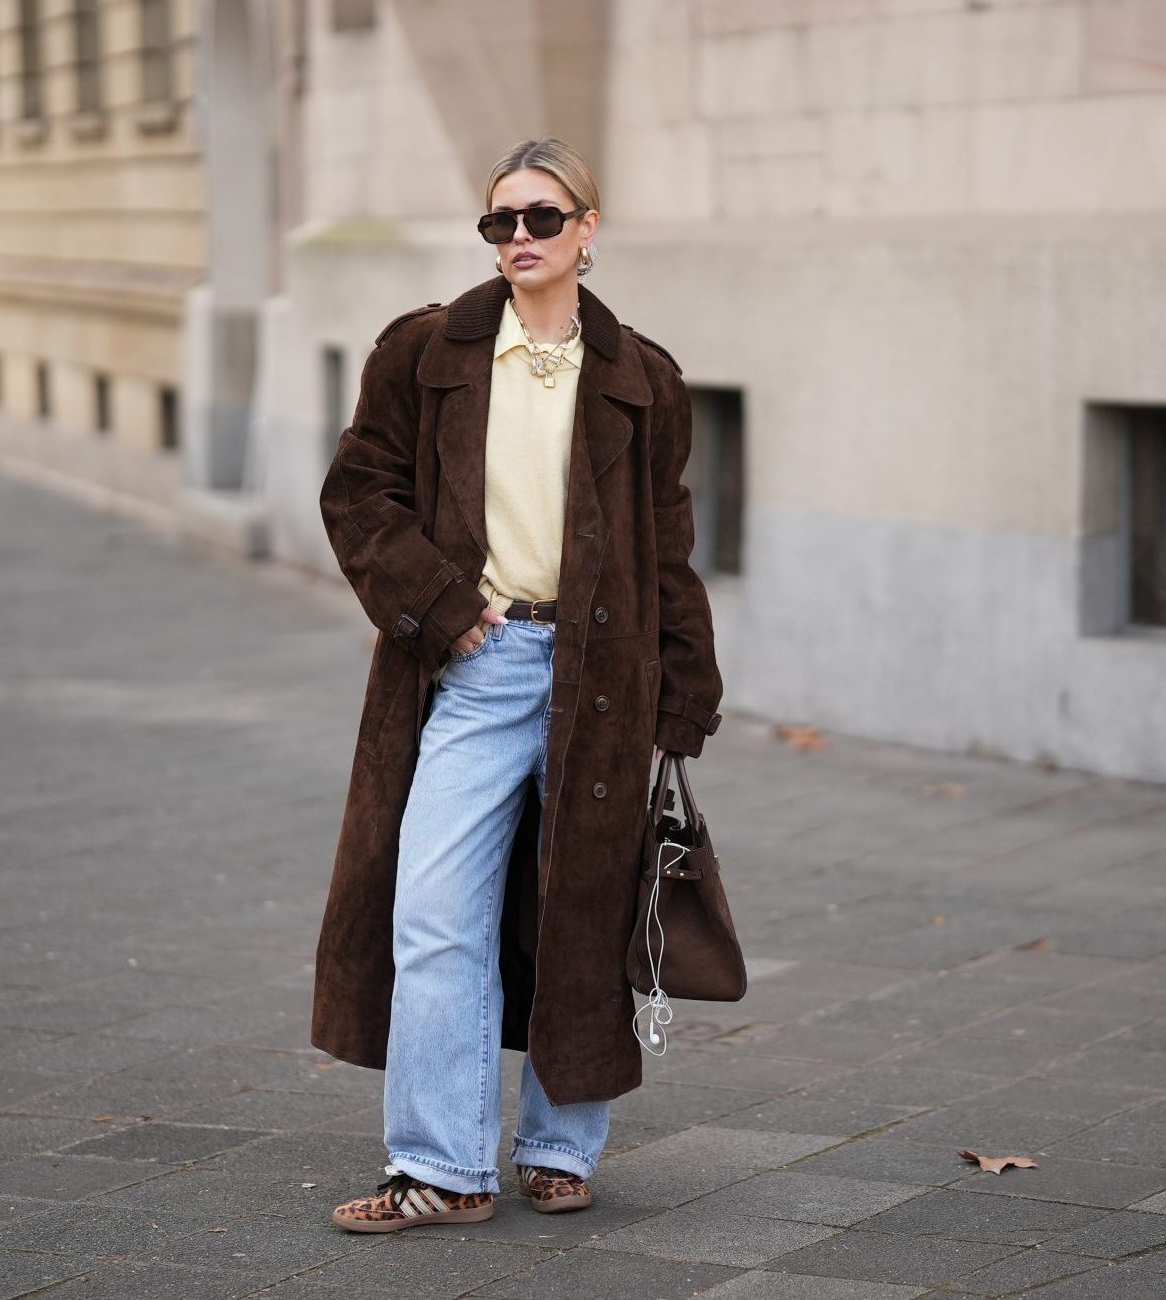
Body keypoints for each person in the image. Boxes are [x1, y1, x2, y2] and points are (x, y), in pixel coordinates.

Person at [313, 137, 725, 1232]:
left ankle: (555, 1147)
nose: (521, 239)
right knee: (433, 911)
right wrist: (446, 609)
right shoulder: (425, 353)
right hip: (478, 664)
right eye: (501, 222)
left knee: (579, 909)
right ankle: (444, 1167)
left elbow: (666, 548)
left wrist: (684, 688)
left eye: (543, 218)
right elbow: (358, 496)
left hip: (603, 678)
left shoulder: (643, 378)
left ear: (588, 230)